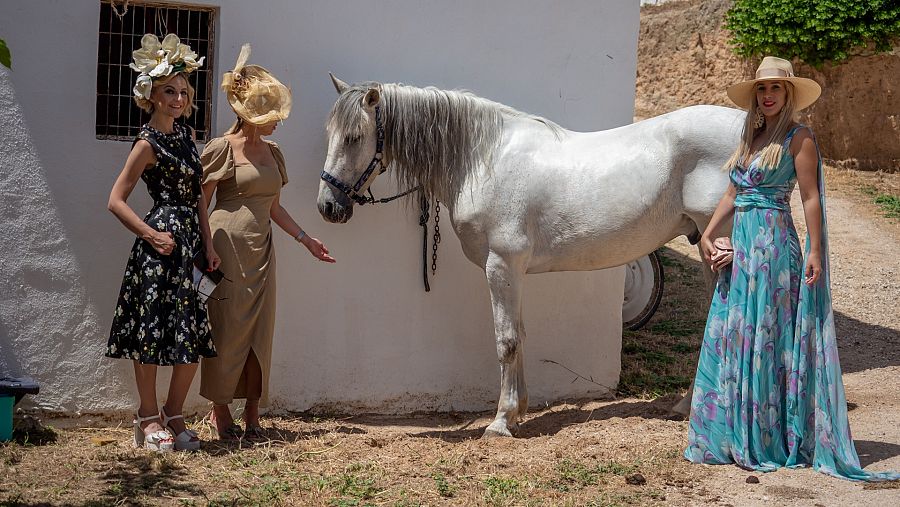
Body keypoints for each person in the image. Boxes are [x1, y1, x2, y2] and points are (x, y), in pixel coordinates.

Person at [684, 56, 899, 481]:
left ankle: (769, 436)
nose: (767, 96)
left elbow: (811, 198)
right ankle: (733, 434)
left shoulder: (800, 139)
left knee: (768, 337)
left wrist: (816, 250)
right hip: (742, 250)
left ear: (789, 94)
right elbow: (733, 191)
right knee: (737, 332)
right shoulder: (752, 135)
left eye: (775, 89)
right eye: (762, 90)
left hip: (775, 251)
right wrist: (707, 234)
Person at [199, 44, 335, 440]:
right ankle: (219, 410)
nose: (278, 121)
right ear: (252, 113)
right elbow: (200, 204)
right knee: (226, 327)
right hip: (225, 247)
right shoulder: (221, 148)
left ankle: (253, 412)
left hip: (262, 249)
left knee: (261, 328)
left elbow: (274, 207)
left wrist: (306, 240)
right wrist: (206, 248)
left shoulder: (273, 152)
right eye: (272, 114)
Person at [107, 34, 217, 452]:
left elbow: (197, 198)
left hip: (190, 244)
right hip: (158, 249)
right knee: (152, 333)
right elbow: (115, 200)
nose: (178, 98)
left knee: (189, 334)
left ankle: (175, 413)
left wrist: (208, 244)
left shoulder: (188, 137)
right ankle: (147, 417)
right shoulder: (145, 144)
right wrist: (150, 234)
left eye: (184, 92)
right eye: (169, 91)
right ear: (151, 95)